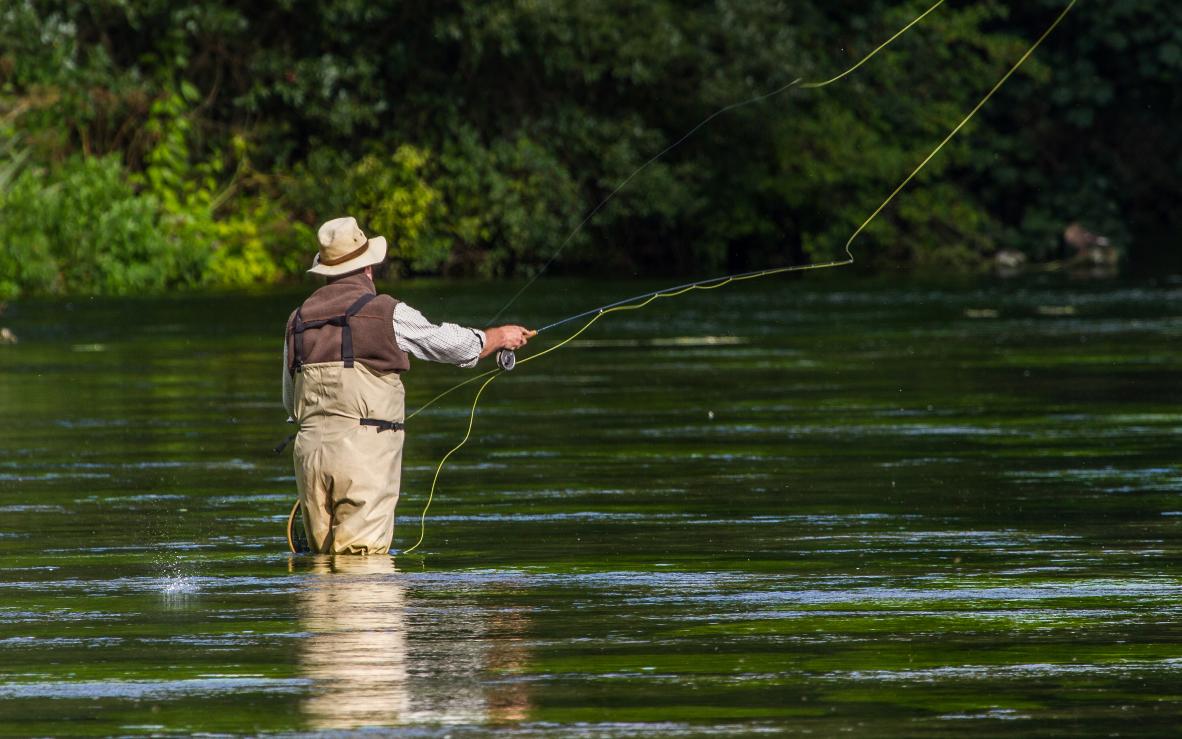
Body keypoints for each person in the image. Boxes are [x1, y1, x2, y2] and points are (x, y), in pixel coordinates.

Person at [283, 217, 532, 554]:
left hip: (309, 456)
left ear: (325, 271)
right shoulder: (385, 312)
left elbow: (290, 401)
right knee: (363, 565)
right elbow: (448, 344)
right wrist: (497, 337)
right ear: (368, 268)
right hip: (363, 458)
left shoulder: (297, 321)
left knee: (322, 566)